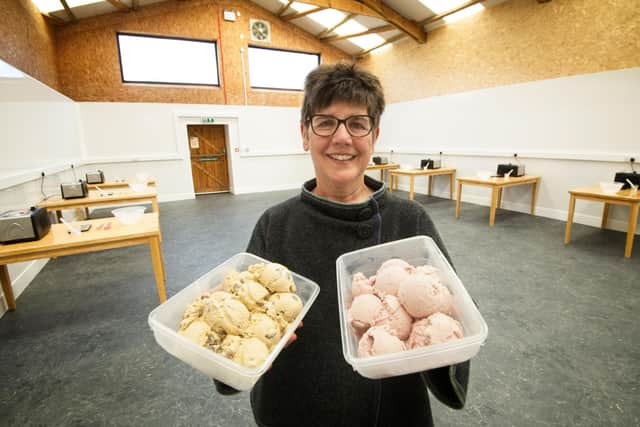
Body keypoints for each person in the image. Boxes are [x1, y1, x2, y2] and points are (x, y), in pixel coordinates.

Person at [215, 62, 469, 427]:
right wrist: (231, 345)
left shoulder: (409, 221)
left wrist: (443, 348)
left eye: (357, 123)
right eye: (325, 122)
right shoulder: (276, 224)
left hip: (390, 412)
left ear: (374, 135)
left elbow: (450, 314)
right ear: (305, 133)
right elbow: (238, 330)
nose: (342, 137)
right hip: (293, 407)